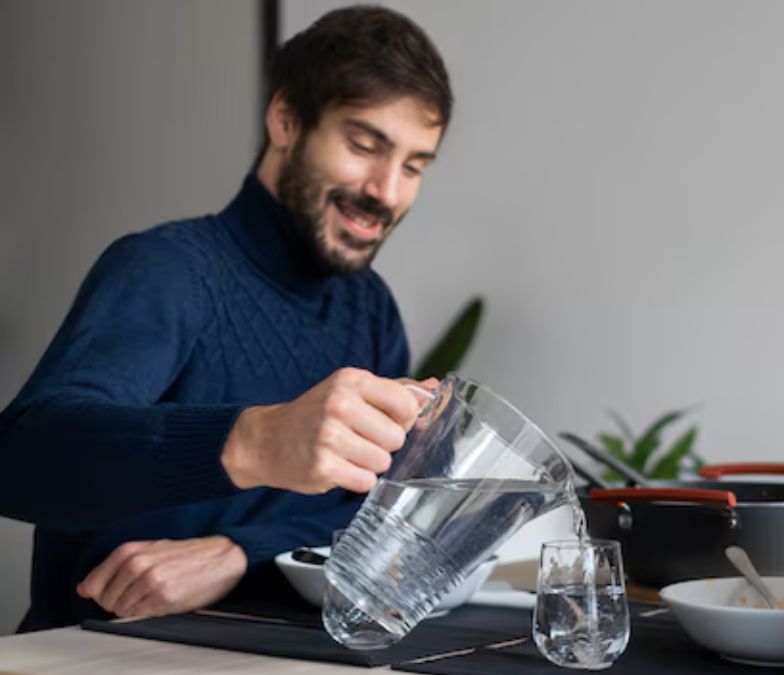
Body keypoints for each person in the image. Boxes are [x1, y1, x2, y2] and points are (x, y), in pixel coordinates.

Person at [0, 6, 452, 631]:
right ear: (286, 120)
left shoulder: (369, 306)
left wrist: (241, 552)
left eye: (413, 166)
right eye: (363, 145)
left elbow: (379, 510)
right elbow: (22, 460)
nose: (388, 191)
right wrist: (254, 441)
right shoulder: (163, 270)